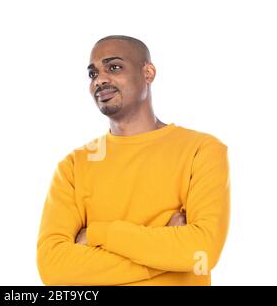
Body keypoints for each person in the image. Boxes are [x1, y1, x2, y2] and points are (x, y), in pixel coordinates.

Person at [36, 35, 230, 286]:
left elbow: (201, 252)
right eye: (93, 74)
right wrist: (165, 252)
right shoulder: (73, 167)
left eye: (114, 67)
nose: (100, 79)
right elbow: (53, 268)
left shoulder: (201, 150)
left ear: (148, 73)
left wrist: (98, 234)